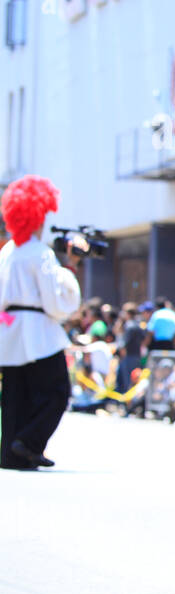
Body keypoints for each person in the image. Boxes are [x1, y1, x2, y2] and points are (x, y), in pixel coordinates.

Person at [0, 176, 83, 469]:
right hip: (37, 330)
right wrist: (70, 270)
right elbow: (55, 302)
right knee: (58, 392)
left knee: (15, 396)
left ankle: (11, 451)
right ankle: (30, 442)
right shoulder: (40, 253)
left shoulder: (7, 252)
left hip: (8, 329)